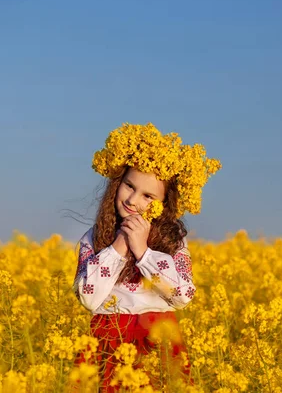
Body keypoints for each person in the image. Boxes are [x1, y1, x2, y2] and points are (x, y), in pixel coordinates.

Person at [72, 123, 221, 391]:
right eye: (129, 186)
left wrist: (143, 252)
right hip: (107, 338)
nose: (133, 200)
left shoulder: (173, 241)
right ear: (117, 183)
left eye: (148, 196)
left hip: (157, 338)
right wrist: (118, 246)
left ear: (164, 204)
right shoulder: (94, 238)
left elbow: (183, 295)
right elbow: (88, 297)